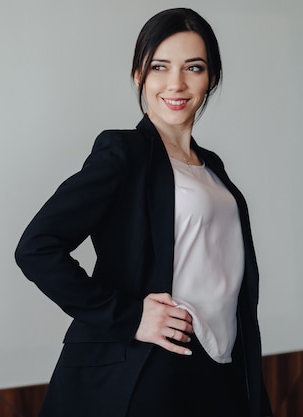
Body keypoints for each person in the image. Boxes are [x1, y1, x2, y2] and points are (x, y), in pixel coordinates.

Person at [15, 8, 272, 417]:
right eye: (160, 67)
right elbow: (36, 248)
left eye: (194, 67)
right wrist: (131, 316)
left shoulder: (213, 168)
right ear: (139, 76)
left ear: (211, 78)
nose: (176, 83)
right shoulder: (125, 153)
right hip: (150, 365)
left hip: (221, 368)